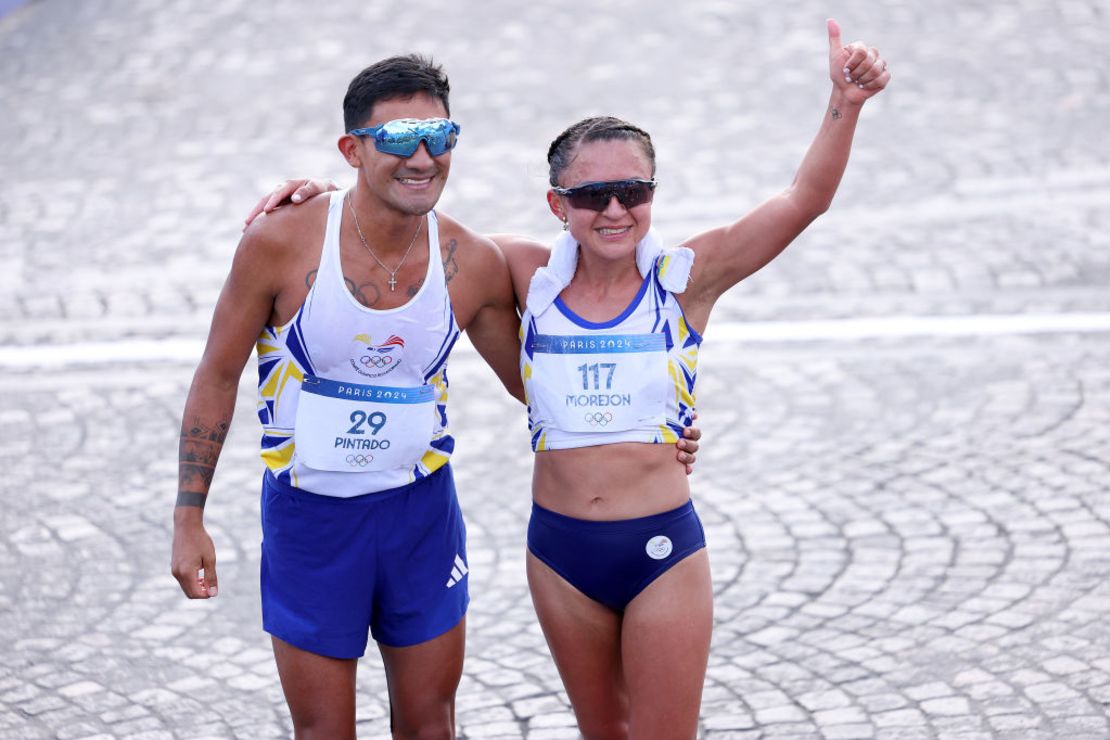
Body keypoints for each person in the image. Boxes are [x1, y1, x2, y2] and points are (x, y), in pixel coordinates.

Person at [251, 19, 887, 737]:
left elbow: (803, 199)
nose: (614, 209)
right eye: (591, 196)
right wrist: (323, 192)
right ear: (558, 204)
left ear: (652, 194)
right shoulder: (520, 269)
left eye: (632, 190)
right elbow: (405, 209)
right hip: (559, 554)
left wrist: (845, 103)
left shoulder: (686, 281)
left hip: (661, 549)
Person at [173, 54, 699, 740]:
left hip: (419, 517)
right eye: (396, 140)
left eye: (439, 139)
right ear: (353, 149)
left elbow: (544, 386)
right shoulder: (281, 241)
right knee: (322, 732)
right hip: (310, 519)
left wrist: (652, 427)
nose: (422, 157)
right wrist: (189, 517)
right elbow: (217, 373)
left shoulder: (471, 263)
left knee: (430, 727)